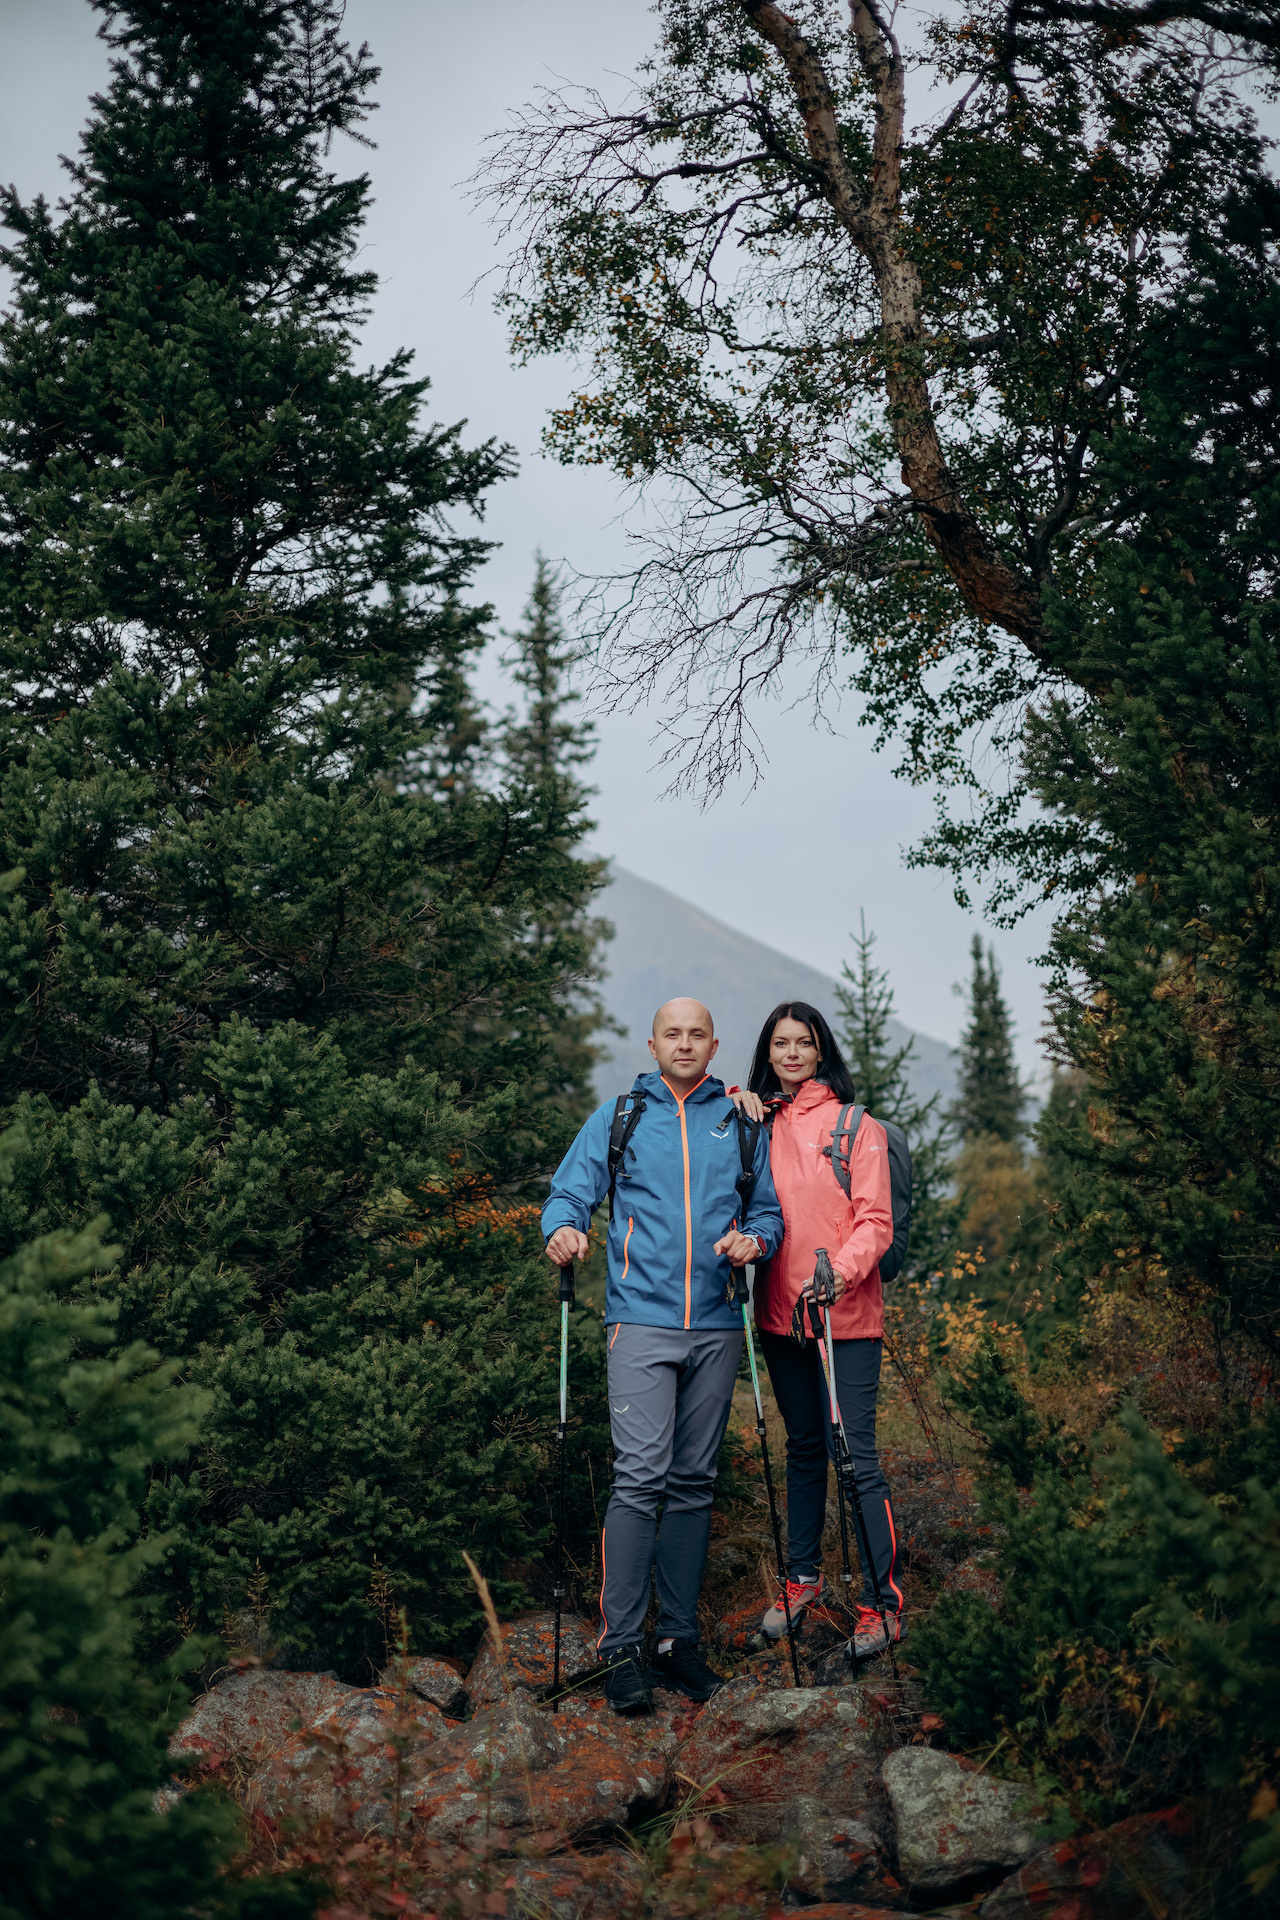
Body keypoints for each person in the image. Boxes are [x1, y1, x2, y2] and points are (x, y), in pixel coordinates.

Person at [542, 997, 784, 1713]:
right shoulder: (620, 1117)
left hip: (715, 1325)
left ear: (716, 1045)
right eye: (672, 1034)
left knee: (692, 1483)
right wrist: (563, 1230)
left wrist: (755, 1241)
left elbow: (766, 1209)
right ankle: (620, 1648)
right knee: (640, 1477)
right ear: (652, 1045)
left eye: (697, 1034)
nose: (684, 1044)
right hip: (640, 1324)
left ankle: (677, 1644)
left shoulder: (738, 1122)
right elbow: (568, 1194)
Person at [727, 1001, 906, 1657]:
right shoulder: (759, 1121)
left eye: (804, 1042)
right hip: (780, 1318)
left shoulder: (857, 1127)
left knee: (854, 1456)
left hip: (845, 1319)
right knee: (804, 1447)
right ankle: (802, 1579)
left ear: (822, 1050)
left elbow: (875, 1223)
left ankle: (883, 1606)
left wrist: (840, 1277)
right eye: (781, 1043)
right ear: (768, 1053)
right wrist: (738, 1099)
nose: (793, 1053)